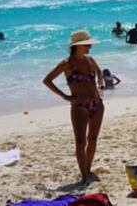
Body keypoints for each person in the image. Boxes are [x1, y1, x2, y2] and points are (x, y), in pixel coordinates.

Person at [42, 30, 107, 185]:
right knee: (80, 142)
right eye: (87, 44)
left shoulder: (90, 60)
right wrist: (65, 96)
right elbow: (47, 80)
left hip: (97, 104)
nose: (89, 47)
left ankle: (88, 170)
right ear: (78, 46)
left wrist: (100, 87)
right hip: (79, 106)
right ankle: (84, 175)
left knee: (92, 139)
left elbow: (99, 73)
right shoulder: (67, 64)